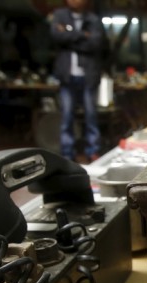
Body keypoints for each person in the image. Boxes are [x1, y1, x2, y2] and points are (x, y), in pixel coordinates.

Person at [50, 0, 108, 163]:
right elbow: (56, 36)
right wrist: (83, 35)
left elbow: (96, 43)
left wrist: (69, 36)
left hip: (88, 75)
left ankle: (93, 151)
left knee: (91, 115)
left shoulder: (93, 19)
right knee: (67, 115)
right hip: (67, 76)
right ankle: (67, 153)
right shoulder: (60, 15)